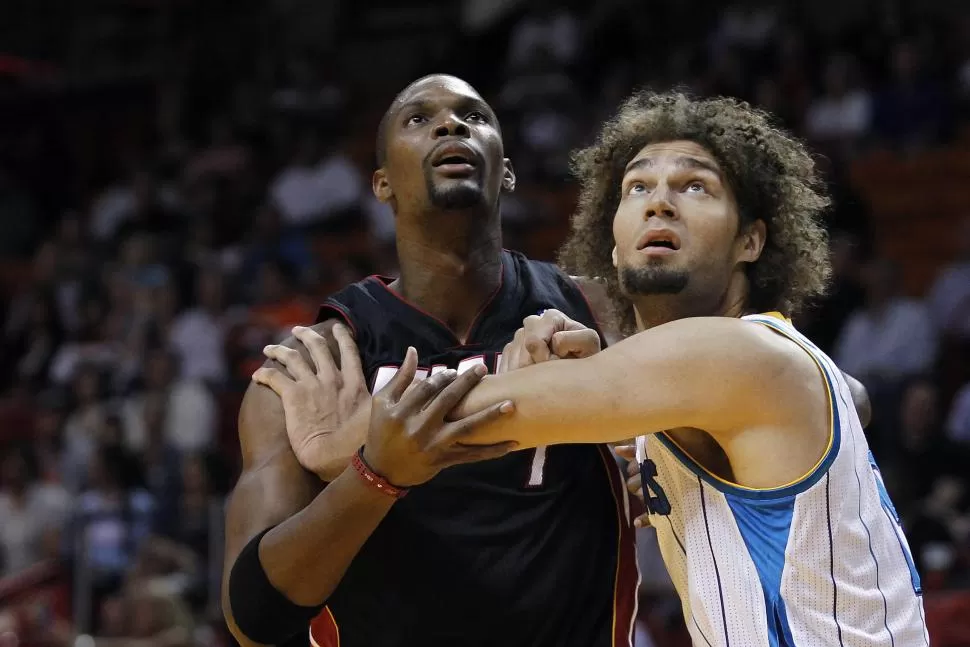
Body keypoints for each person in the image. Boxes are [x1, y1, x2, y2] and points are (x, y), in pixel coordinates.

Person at [259, 91, 917, 646]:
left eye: (695, 185)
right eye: (637, 187)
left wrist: (336, 441)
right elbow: (848, 399)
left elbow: (475, 414)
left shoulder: (736, 355)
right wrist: (611, 389)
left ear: (752, 240)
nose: (660, 202)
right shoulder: (733, 373)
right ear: (612, 232)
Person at [222, 74, 639, 647]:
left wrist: (645, 457)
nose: (450, 124)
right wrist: (375, 477)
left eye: (474, 116)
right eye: (419, 119)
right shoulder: (314, 363)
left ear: (507, 171)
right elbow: (254, 618)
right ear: (382, 183)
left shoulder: (600, 312)